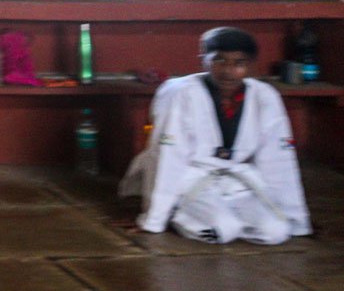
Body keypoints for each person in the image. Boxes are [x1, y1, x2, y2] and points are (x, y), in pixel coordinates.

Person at [120, 26, 311, 244]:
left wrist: (297, 221)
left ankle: (228, 216)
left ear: (251, 65)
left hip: (236, 179)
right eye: (219, 60)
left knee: (275, 232)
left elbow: (279, 159)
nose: (228, 71)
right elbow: (167, 158)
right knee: (222, 231)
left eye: (239, 63)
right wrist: (153, 220)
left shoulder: (264, 96)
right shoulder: (180, 93)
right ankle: (179, 214)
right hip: (189, 177)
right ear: (203, 59)